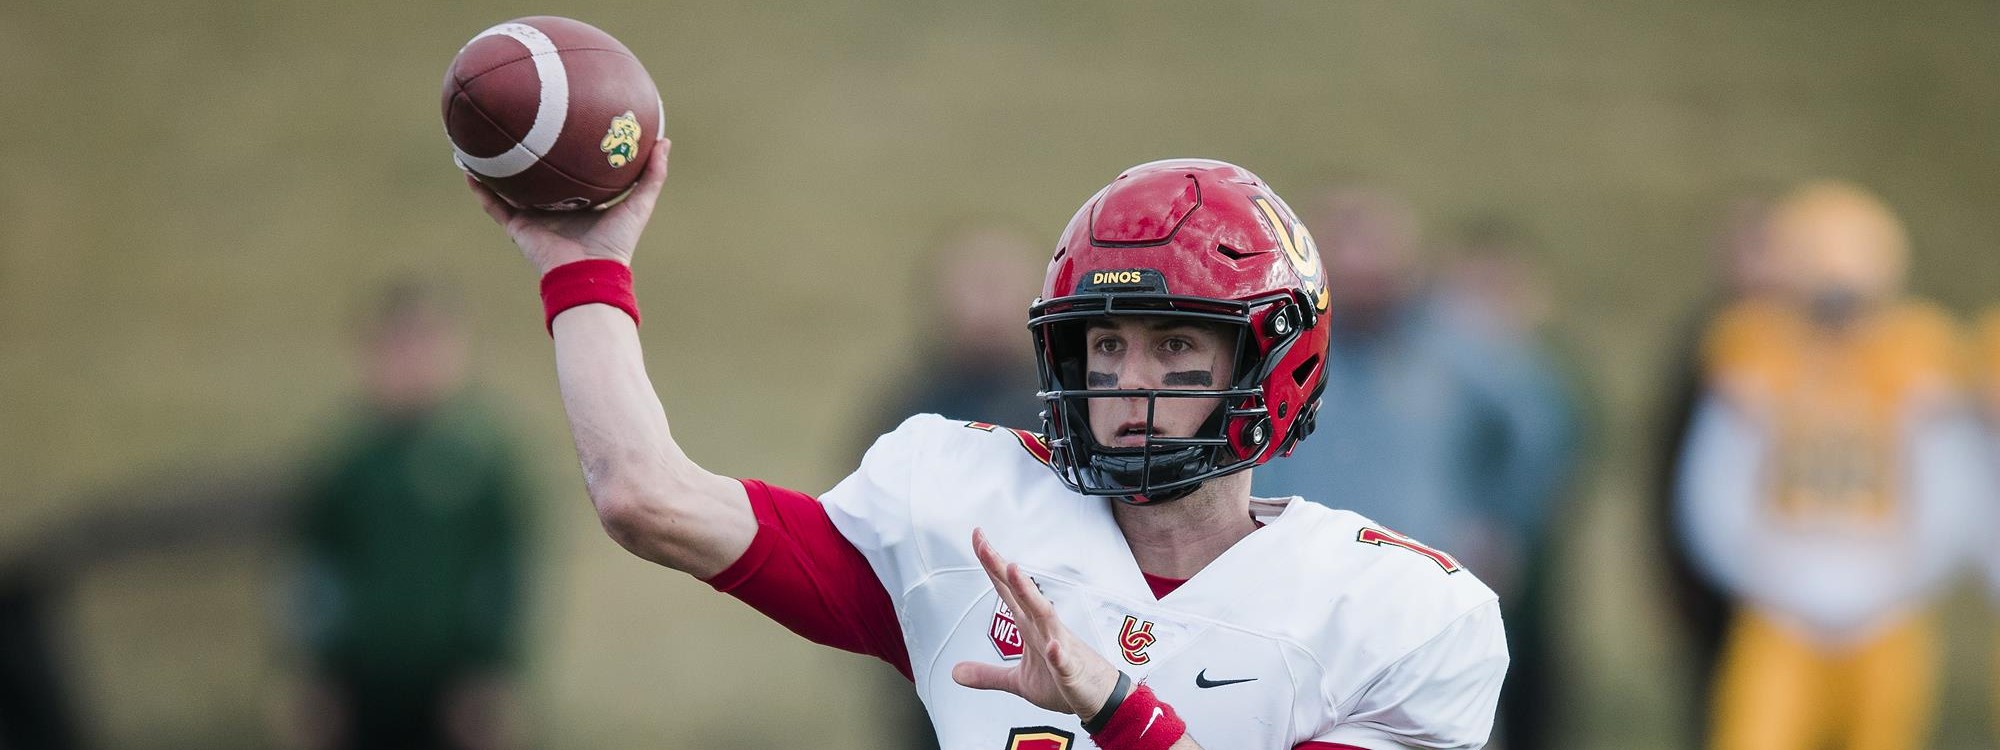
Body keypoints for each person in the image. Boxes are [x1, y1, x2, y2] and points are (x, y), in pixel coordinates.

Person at [469, 148, 1507, 748]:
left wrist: (1112, 704)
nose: (1128, 382)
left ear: (1272, 362)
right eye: (1106, 345)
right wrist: (582, 267)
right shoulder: (971, 514)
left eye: (1175, 345)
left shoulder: (1394, 615)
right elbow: (645, 496)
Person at [1250, 194, 1576, 748]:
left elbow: (1540, 429)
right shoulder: (1284, 351)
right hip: (1303, 600)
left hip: (1429, 597)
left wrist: (1504, 525)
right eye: (1343, 249)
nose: (1359, 266)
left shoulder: (1457, 344)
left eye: (1373, 247)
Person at [1675, 182, 1985, 750]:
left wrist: (1897, 583)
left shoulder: (1913, 353)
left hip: (1887, 603)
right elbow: (1715, 486)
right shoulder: (1756, 347)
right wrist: (1766, 576)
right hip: (1779, 599)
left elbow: (1947, 489)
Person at [291, 283, 532, 750]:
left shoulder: (482, 462)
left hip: (453, 688)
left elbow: (504, 573)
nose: (413, 363)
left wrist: (492, 669)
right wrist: (314, 671)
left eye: (427, 346)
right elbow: (314, 572)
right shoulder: (348, 463)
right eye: (399, 348)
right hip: (361, 684)